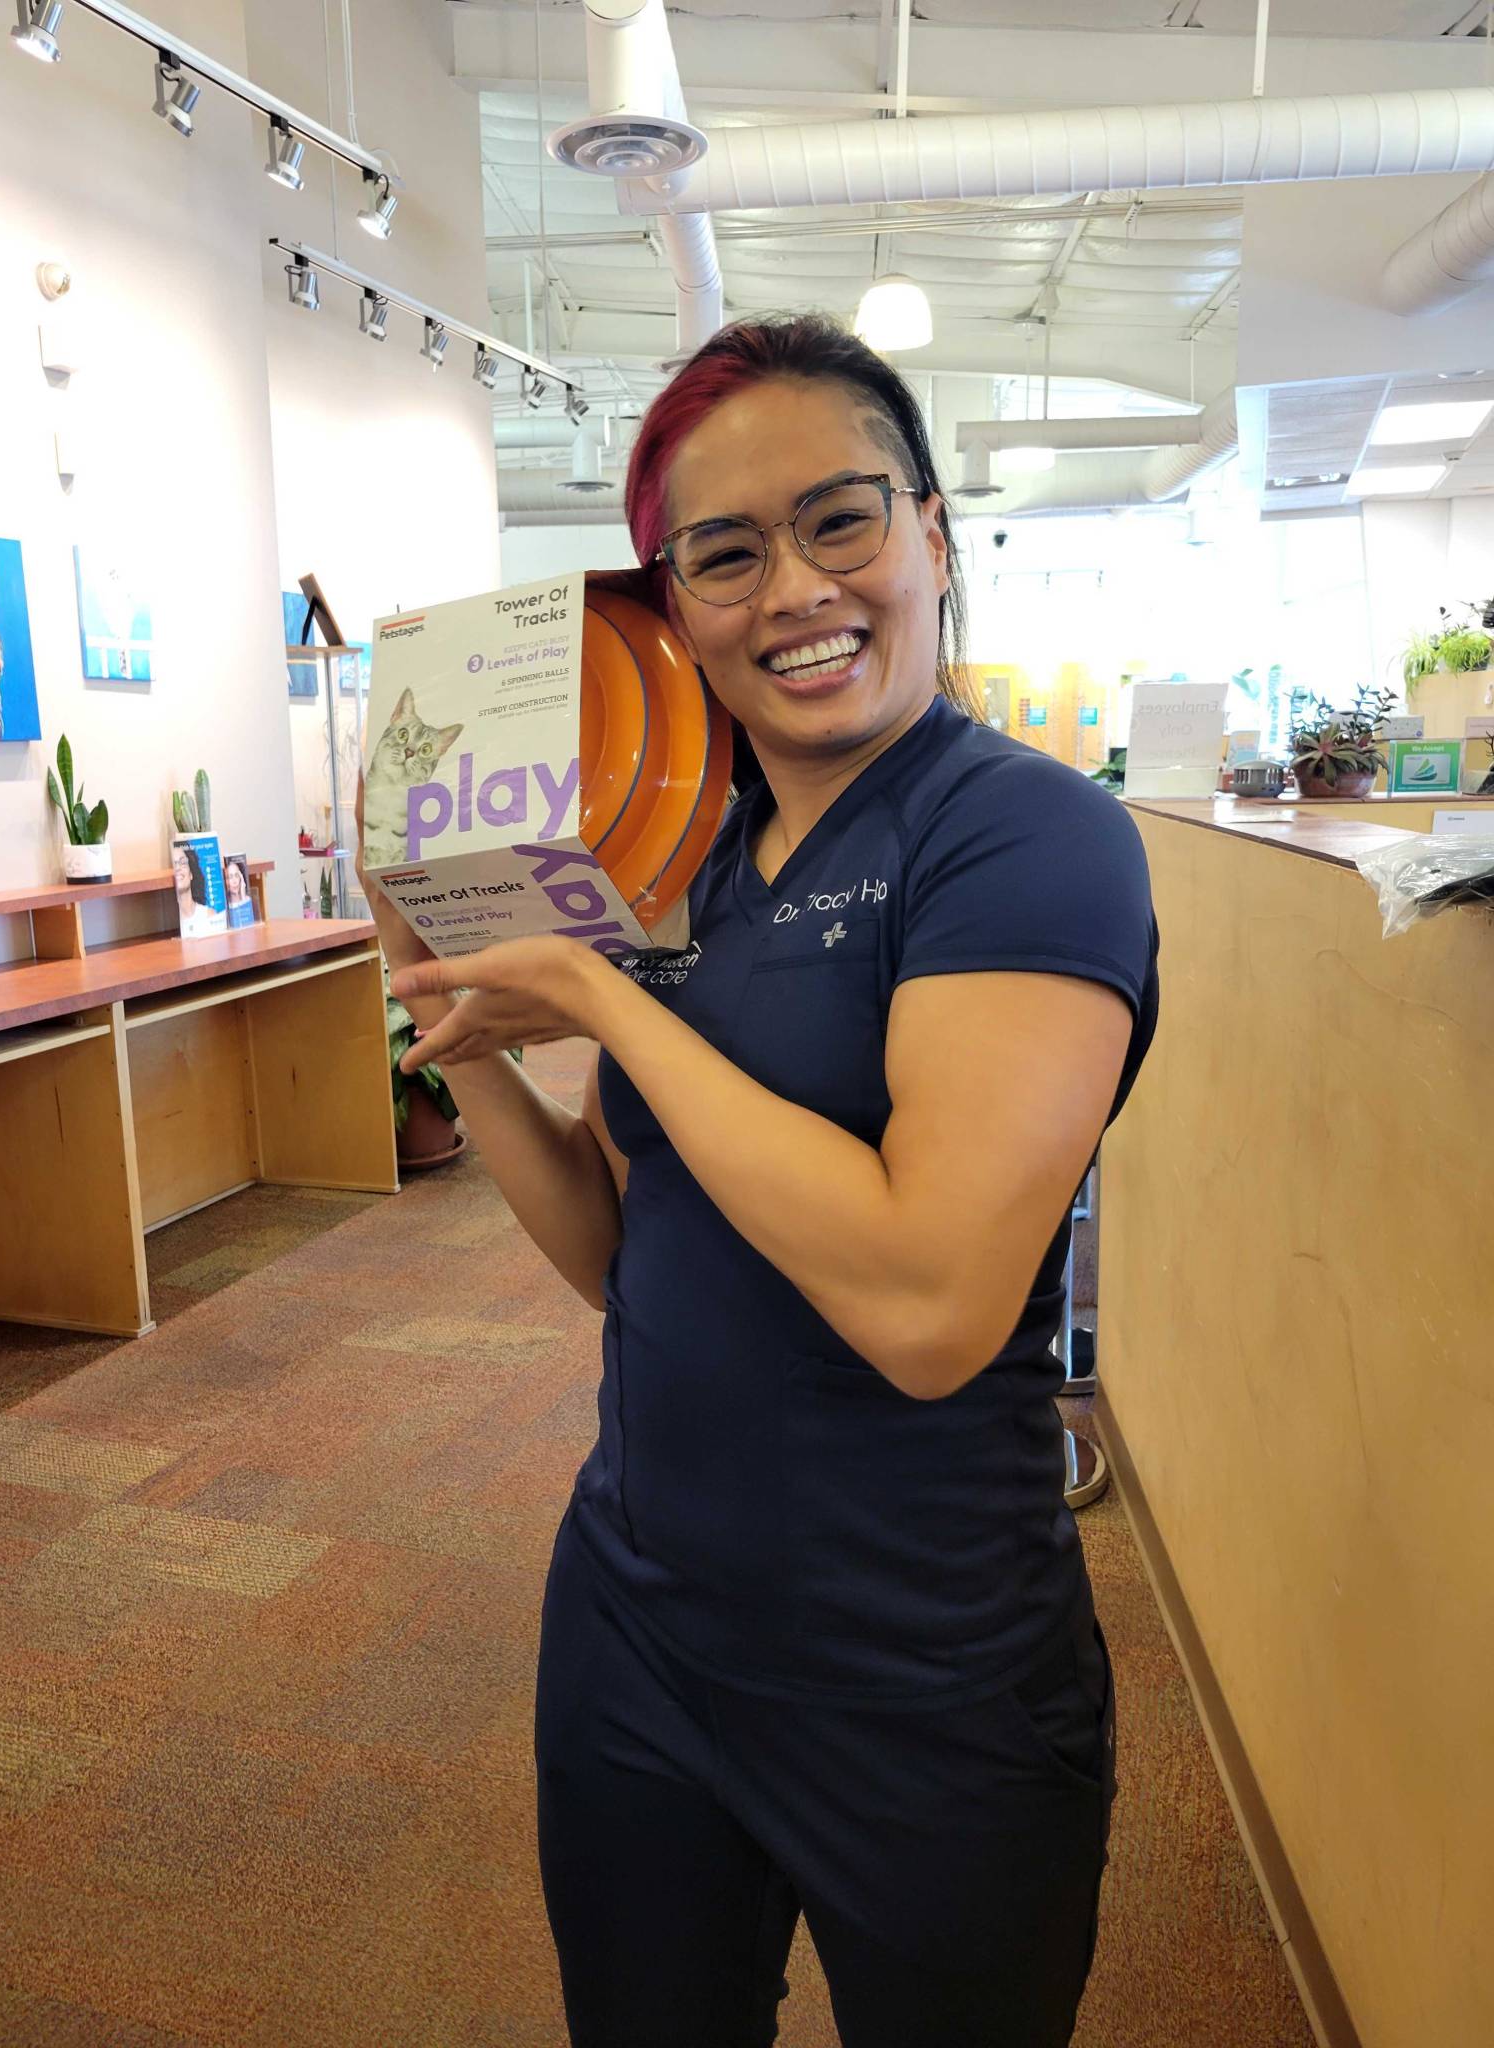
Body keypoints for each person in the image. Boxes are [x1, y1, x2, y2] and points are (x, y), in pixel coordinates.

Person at [360, 314, 1159, 2048]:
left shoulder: (1025, 836)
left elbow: (931, 1308)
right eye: (724, 553)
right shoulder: (686, 857)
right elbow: (621, 1252)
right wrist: (458, 1022)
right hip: (638, 1623)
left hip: (924, 1672)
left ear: (931, 532)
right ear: (671, 605)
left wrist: (606, 1009)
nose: (794, 589)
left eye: (839, 520)